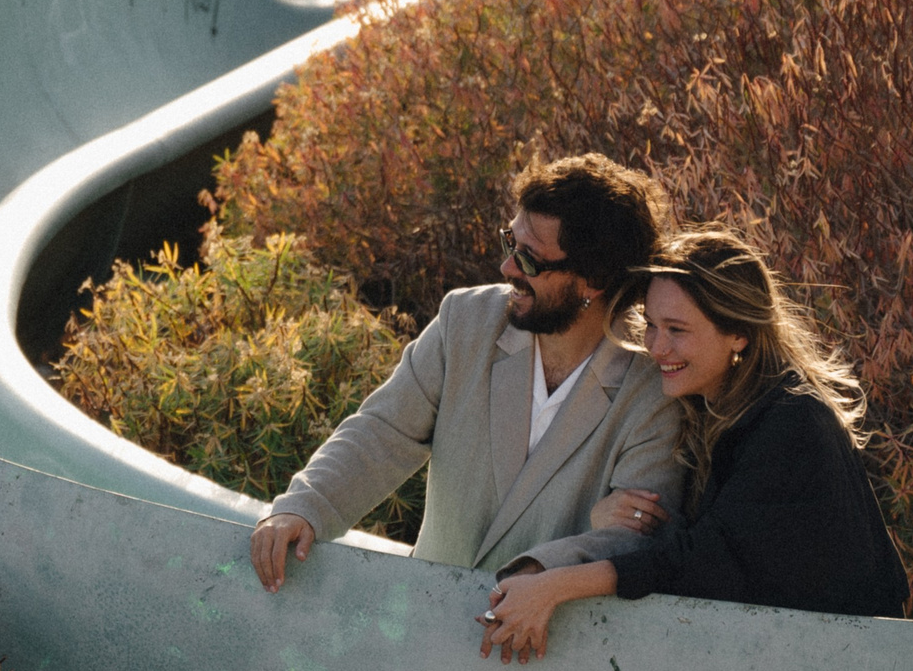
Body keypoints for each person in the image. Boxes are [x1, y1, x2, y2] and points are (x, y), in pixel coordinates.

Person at [251, 153, 685, 590]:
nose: (507, 268)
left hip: (548, 643)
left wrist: (539, 573)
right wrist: (304, 505)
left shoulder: (653, 387)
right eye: (508, 244)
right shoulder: (467, 319)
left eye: (530, 260)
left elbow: (633, 540)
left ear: (594, 280)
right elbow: (382, 432)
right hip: (424, 621)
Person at [476, 226, 907, 660]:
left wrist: (554, 585)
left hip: (850, 668)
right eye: (651, 325)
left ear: (738, 333)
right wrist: (604, 516)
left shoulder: (793, 422)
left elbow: (703, 561)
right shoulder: (711, 410)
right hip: (781, 660)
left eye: (677, 330)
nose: (657, 347)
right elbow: (718, 543)